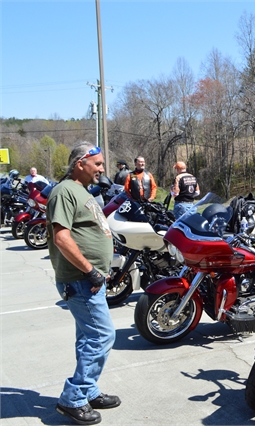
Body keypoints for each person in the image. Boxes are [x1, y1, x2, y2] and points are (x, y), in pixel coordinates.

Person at [46, 141, 120, 425]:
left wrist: (101, 268)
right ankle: (73, 398)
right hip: (79, 280)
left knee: (87, 339)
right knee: (102, 336)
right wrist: (91, 271)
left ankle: (88, 390)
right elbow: (61, 237)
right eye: (98, 164)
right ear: (81, 164)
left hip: (89, 278)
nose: (102, 168)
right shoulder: (65, 191)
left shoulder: (82, 191)